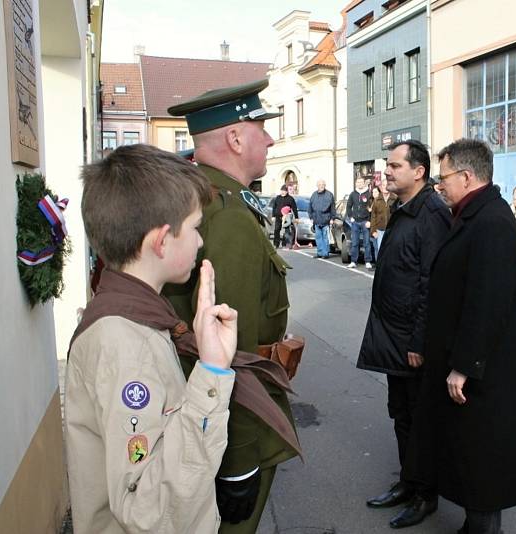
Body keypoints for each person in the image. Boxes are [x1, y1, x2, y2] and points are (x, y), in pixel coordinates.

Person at [66, 144, 248, 533]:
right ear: (162, 241)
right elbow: (149, 508)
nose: (200, 242)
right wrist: (213, 371)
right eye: (196, 227)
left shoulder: (135, 318)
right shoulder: (126, 343)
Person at [163, 80, 300, 533]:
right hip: (237, 421)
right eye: (260, 126)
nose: (270, 137)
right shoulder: (230, 217)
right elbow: (230, 353)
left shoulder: (207, 198)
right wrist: (237, 461)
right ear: (236, 139)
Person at [406, 138, 516, 534]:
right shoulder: (470, 215)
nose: (438, 185)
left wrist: (463, 366)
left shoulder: (492, 222)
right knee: (468, 457)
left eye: (443, 177)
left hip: (481, 371)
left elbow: (487, 303)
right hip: (466, 363)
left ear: (466, 177)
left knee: (482, 465)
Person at [357, 140, 451, 529]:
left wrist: (419, 341)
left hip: (413, 341)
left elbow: (434, 283)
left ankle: (426, 494)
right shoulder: (403, 208)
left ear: (419, 172)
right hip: (393, 333)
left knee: (420, 417)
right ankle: (408, 481)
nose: (388, 171)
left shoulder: (432, 214)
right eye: (388, 165)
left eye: (395, 165)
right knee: (401, 414)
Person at [347, 176, 373, 269]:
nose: (359, 184)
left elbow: (371, 208)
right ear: (356, 183)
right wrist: (350, 217)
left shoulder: (369, 194)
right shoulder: (352, 194)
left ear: (364, 183)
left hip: (365, 221)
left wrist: (369, 221)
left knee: (367, 243)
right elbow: (348, 206)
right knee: (354, 243)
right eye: (358, 182)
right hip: (355, 222)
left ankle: (368, 261)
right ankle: (353, 261)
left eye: (361, 182)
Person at [308, 179, 336, 259]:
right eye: (320, 184)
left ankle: (325, 253)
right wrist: (311, 217)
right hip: (316, 220)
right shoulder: (314, 195)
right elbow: (310, 207)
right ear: (317, 186)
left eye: (323, 184)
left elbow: (333, 208)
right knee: (318, 238)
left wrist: (332, 218)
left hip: (326, 220)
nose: (321, 186)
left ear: (325, 185)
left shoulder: (329, 194)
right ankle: (319, 253)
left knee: (325, 238)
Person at [271, 184, 299, 249]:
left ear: (287, 192)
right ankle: (276, 244)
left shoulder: (290, 199)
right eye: (282, 191)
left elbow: (294, 208)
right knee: (277, 230)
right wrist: (273, 216)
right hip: (278, 216)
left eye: (284, 191)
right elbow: (274, 207)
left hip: (287, 217)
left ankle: (284, 243)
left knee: (286, 231)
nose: (283, 192)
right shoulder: (277, 198)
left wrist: (296, 217)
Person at [369, 185, 390, 257]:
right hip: (380, 230)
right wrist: (373, 230)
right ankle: (379, 267)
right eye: (383, 185)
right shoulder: (376, 200)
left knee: (391, 250)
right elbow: (373, 217)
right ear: (381, 187)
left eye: (387, 184)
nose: (385, 187)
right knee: (379, 250)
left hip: (392, 230)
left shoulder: (395, 199)